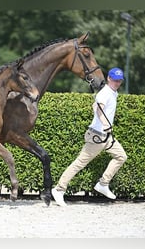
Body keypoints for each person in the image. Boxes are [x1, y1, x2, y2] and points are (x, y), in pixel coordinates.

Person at [51, 67, 128, 207]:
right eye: (115, 80)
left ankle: (103, 184)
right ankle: (58, 189)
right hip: (97, 136)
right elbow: (99, 109)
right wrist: (105, 124)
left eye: (120, 81)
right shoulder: (105, 93)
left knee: (121, 156)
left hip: (106, 136)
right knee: (79, 163)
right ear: (109, 79)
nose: (117, 83)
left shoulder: (112, 92)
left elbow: (95, 106)